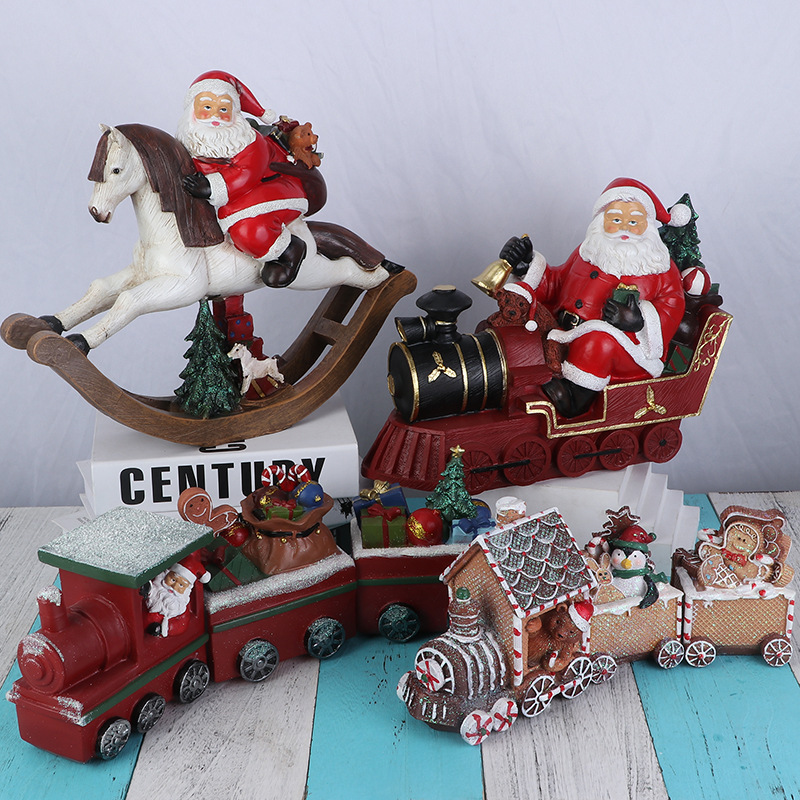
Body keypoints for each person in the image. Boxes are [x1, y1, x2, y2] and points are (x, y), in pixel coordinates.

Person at [500, 178, 687, 417]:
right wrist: (526, 264)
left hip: (627, 350)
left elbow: (673, 305)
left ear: (647, 225)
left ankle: (575, 398)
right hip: (563, 332)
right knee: (522, 329)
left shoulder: (660, 267)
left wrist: (639, 321)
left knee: (598, 341)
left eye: (634, 222)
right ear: (602, 220)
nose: (625, 227)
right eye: (616, 219)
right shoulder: (588, 252)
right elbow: (556, 284)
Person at [177, 70, 311, 287]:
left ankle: (289, 251)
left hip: (271, 185)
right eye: (207, 107)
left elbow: (246, 174)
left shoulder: (248, 140)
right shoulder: (190, 139)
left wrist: (210, 187)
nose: (215, 115)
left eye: (223, 109)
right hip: (230, 195)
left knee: (247, 229)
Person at [144, 555, 210, 637]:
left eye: (181, 585)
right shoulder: (156, 589)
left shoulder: (180, 607)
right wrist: (147, 588)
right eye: (173, 580)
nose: (174, 586)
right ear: (166, 575)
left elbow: (181, 625)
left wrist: (166, 628)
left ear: (186, 590)